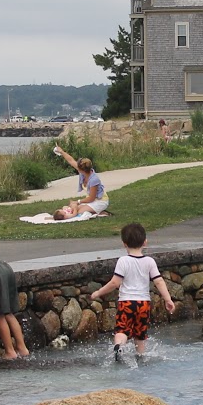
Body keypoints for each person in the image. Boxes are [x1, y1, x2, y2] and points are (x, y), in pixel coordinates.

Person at [90, 222, 177, 356]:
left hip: (127, 303)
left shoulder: (123, 261)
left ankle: (119, 346)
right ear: (145, 242)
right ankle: (140, 356)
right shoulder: (149, 261)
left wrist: (98, 292)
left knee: (122, 331)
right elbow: (159, 281)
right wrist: (168, 299)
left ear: (124, 243)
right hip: (143, 304)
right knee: (140, 335)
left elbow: (115, 282)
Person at [50, 144, 109, 218]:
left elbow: (92, 198)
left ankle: (101, 212)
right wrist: (61, 151)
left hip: (100, 201)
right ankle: (95, 211)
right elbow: (71, 160)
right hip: (91, 201)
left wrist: (77, 202)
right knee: (74, 208)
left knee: (79, 211)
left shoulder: (94, 180)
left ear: (82, 170)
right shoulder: (83, 173)